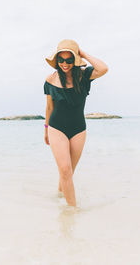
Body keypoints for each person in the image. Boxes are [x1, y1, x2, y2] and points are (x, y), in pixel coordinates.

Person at [43, 39, 108, 207]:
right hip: (56, 128)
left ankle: (59, 195)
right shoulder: (50, 80)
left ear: (75, 60)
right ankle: (72, 212)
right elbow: (49, 107)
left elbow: (104, 68)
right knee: (65, 169)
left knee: (68, 171)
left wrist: (84, 54)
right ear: (57, 61)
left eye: (69, 60)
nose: (65, 64)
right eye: (61, 60)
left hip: (78, 129)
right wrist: (45, 129)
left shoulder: (84, 75)